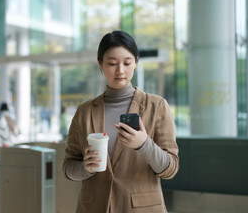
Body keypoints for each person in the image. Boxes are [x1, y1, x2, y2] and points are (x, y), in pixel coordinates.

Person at [62, 30, 179, 213]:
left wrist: (144, 144)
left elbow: (170, 169)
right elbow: (69, 167)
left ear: (136, 62)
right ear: (100, 64)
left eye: (127, 62)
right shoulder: (84, 112)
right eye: (112, 63)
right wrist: (86, 168)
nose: (120, 71)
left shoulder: (156, 107)